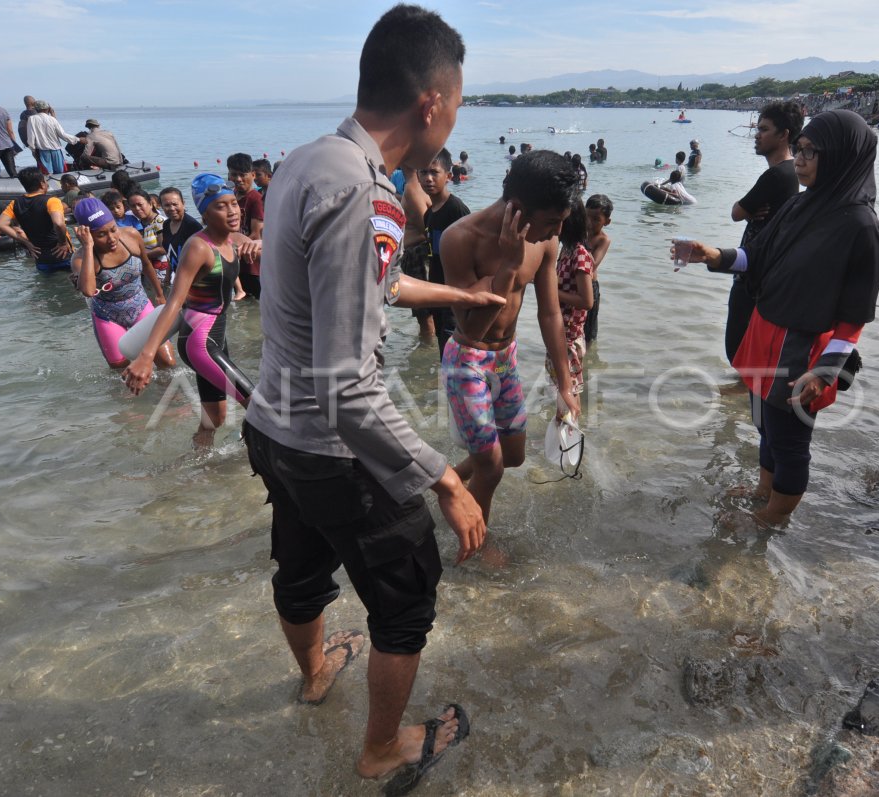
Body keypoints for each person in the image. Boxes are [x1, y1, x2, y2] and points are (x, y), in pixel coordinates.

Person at [237, 6, 502, 791]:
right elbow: (349, 388)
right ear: (431, 100)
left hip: (271, 428)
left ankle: (317, 671)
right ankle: (382, 747)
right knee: (407, 592)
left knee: (304, 563)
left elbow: (371, 283)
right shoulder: (368, 195)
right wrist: (445, 480)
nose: (456, 116)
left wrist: (454, 291)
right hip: (334, 446)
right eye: (458, 100)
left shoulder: (308, 161)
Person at [672, 109, 879, 525]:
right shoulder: (799, 206)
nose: (800, 158)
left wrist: (825, 371)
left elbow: (855, 317)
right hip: (764, 332)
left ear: (842, 157)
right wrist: (711, 255)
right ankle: (763, 490)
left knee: (790, 439)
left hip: (804, 350)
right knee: (765, 425)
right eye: (800, 148)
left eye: (811, 151)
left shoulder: (862, 227)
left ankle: (773, 517)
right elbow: (757, 257)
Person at [440, 149, 582, 525]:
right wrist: (508, 265)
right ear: (518, 209)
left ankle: (447, 480)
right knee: (492, 468)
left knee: (513, 456)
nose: (556, 233)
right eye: (551, 222)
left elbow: (550, 313)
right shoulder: (460, 238)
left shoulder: (546, 240)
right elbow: (470, 331)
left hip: (506, 358)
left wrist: (564, 386)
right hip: (467, 361)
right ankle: (476, 544)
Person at [122, 175, 258, 448]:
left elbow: (268, 242)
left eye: (234, 204)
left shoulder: (231, 239)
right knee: (259, 405)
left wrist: (261, 243)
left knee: (215, 418)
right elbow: (174, 302)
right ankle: (266, 466)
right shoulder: (198, 247)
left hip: (217, 337)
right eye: (221, 206)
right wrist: (147, 355)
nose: (232, 211)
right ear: (205, 212)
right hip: (200, 343)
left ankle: (195, 466)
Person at [726, 100, 805, 364]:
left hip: (754, 274)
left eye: (764, 129)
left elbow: (736, 212)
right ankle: (743, 403)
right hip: (768, 273)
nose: (757, 135)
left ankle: (743, 399)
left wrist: (746, 210)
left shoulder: (776, 176)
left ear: (784, 135)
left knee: (738, 350)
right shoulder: (791, 172)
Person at [69, 196, 173, 369]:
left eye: (113, 229)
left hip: (140, 305)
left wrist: (160, 295)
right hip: (108, 317)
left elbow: (147, 265)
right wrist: (88, 247)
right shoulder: (80, 259)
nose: (111, 239)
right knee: (121, 371)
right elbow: (87, 290)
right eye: (101, 234)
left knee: (167, 363)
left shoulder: (131, 235)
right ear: (87, 235)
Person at [420, 148, 471, 350]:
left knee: (454, 353)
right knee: (444, 354)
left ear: (449, 176)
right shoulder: (429, 214)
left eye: (434, 172)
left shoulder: (456, 210)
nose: (429, 178)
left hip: (455, 298)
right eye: (423, 173)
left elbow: (472, 253)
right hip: (438, 293)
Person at [546, 198, 594, 396]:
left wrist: (549, 291)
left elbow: (586, 301)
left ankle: (568, 424)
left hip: (569, 335)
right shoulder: (565, 250)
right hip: (559, 330)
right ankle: (563, 423)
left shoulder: (580, 254)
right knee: (560, 387)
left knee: (569, 390)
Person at [0, 167, 74, 272]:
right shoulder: (52, 201)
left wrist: (26, 242)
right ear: (42, 184)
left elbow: (0, 224)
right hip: (63, 254)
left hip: (40, 257)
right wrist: (63, 243)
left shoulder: (15, 203)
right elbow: (59, 224)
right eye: (45, 181)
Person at [398, 167, 436, 338]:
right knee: (427, 314)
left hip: (418, 254)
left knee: (426, 315)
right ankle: (430, 358)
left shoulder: (413, 188)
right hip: (417, 254)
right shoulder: (414, 188)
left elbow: (426, 228)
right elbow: (428, 228)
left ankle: (427, 356)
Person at [225, 152, 264, 299]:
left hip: (253, 265)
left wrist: (232, 248)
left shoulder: (256, 199)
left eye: (243, 175)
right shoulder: (231, 195)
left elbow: (256, 234)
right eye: (234, 175)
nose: (238, 179)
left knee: (258, 303)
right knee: (243, 304)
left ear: (253, 175)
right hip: (237, 263)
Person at [157, 186, 202, 289]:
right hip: (179, 279)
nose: (172, 208)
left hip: (196, 280)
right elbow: (170, 253)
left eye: (175, 204)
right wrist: (167, 277)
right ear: (161, 207)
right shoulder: (166, 225)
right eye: (167, 205)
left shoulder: (193, 226)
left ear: (183, 203)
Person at [583, 193, 612, 346]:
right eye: (587, 217)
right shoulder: (579, 232)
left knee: (588, 331)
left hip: (589, 287)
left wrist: (582, 246)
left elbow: (592, 264)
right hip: (571, 285)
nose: (589, 222)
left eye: (596, 219)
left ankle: (586, 363)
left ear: (606, 222)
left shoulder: (603, 240)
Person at [26, 100, 75, 175]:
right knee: (60, 173)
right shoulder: (52, 119)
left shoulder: (32, 119)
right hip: (56, 150)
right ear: (48, 109)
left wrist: (33, 150)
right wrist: (77, 139)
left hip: (43, 151)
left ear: (36, 110)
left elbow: (31, 137)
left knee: (47, 173)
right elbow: (62, 135)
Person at [127, 188, 168, 272]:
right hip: (146, 273)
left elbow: (163, 249)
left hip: (163, 272)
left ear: (150, 204)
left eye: (140, 204)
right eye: (133, 206)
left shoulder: (160, 222)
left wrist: (136, 255)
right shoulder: (137, 225)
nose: (137, 208)